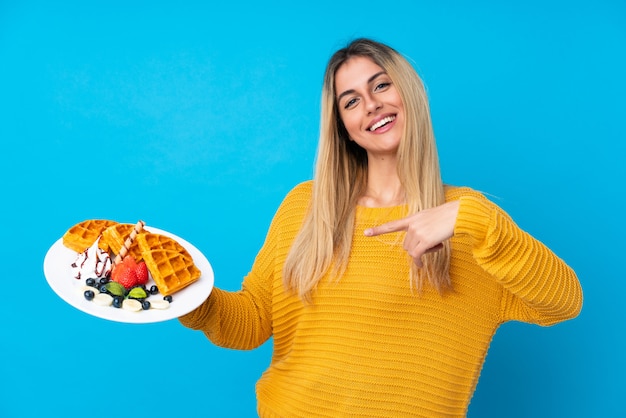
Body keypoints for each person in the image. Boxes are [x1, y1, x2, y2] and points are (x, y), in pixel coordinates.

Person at [179, 38, 583, 417]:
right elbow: (251, 321)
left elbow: (564, 302)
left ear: (410, 93)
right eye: (351, 101)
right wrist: (186, 294)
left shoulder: (468, 220)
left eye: (382, 86)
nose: (371, 105)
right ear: (342, 126)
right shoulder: (306, 206)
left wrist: (471, 218)